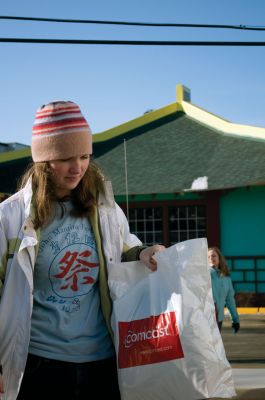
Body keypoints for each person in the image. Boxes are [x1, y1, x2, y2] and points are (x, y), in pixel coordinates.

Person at [0, 101, 165, 400]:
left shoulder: (104, 207)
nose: (77, 167)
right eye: (65, 158)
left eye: (85, 156)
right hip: (38, 364)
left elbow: (124, 246)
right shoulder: (9, 218)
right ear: (43, 160)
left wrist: (142, 253)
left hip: (102, 362)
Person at [208, 246, 240, 333]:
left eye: (213, 256)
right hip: (204, 320)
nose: (211, 258)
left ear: (219, 258)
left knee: (216, 346)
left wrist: (235, 320)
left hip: (219, 319)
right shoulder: (203, 276)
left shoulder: (226, 278)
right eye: (208, 257)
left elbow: (230, 301)